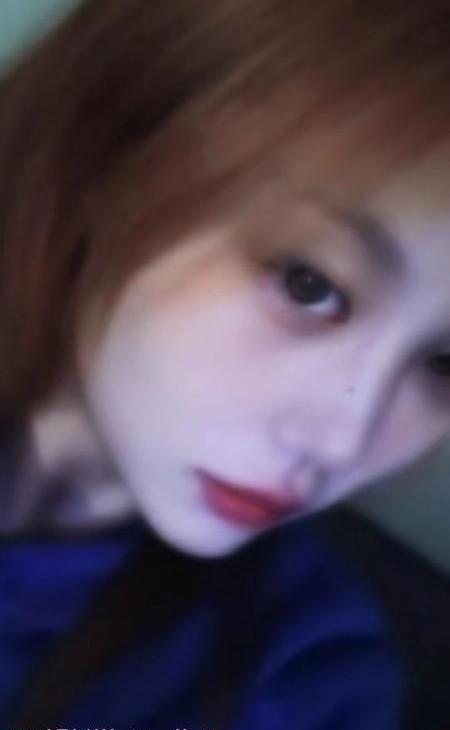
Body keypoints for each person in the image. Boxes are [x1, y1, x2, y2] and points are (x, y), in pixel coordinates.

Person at [0, 0, 449, 727]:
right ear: (105, 164)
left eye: (443, 363)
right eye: (308, 283)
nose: (343, 443)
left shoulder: (306, 662)